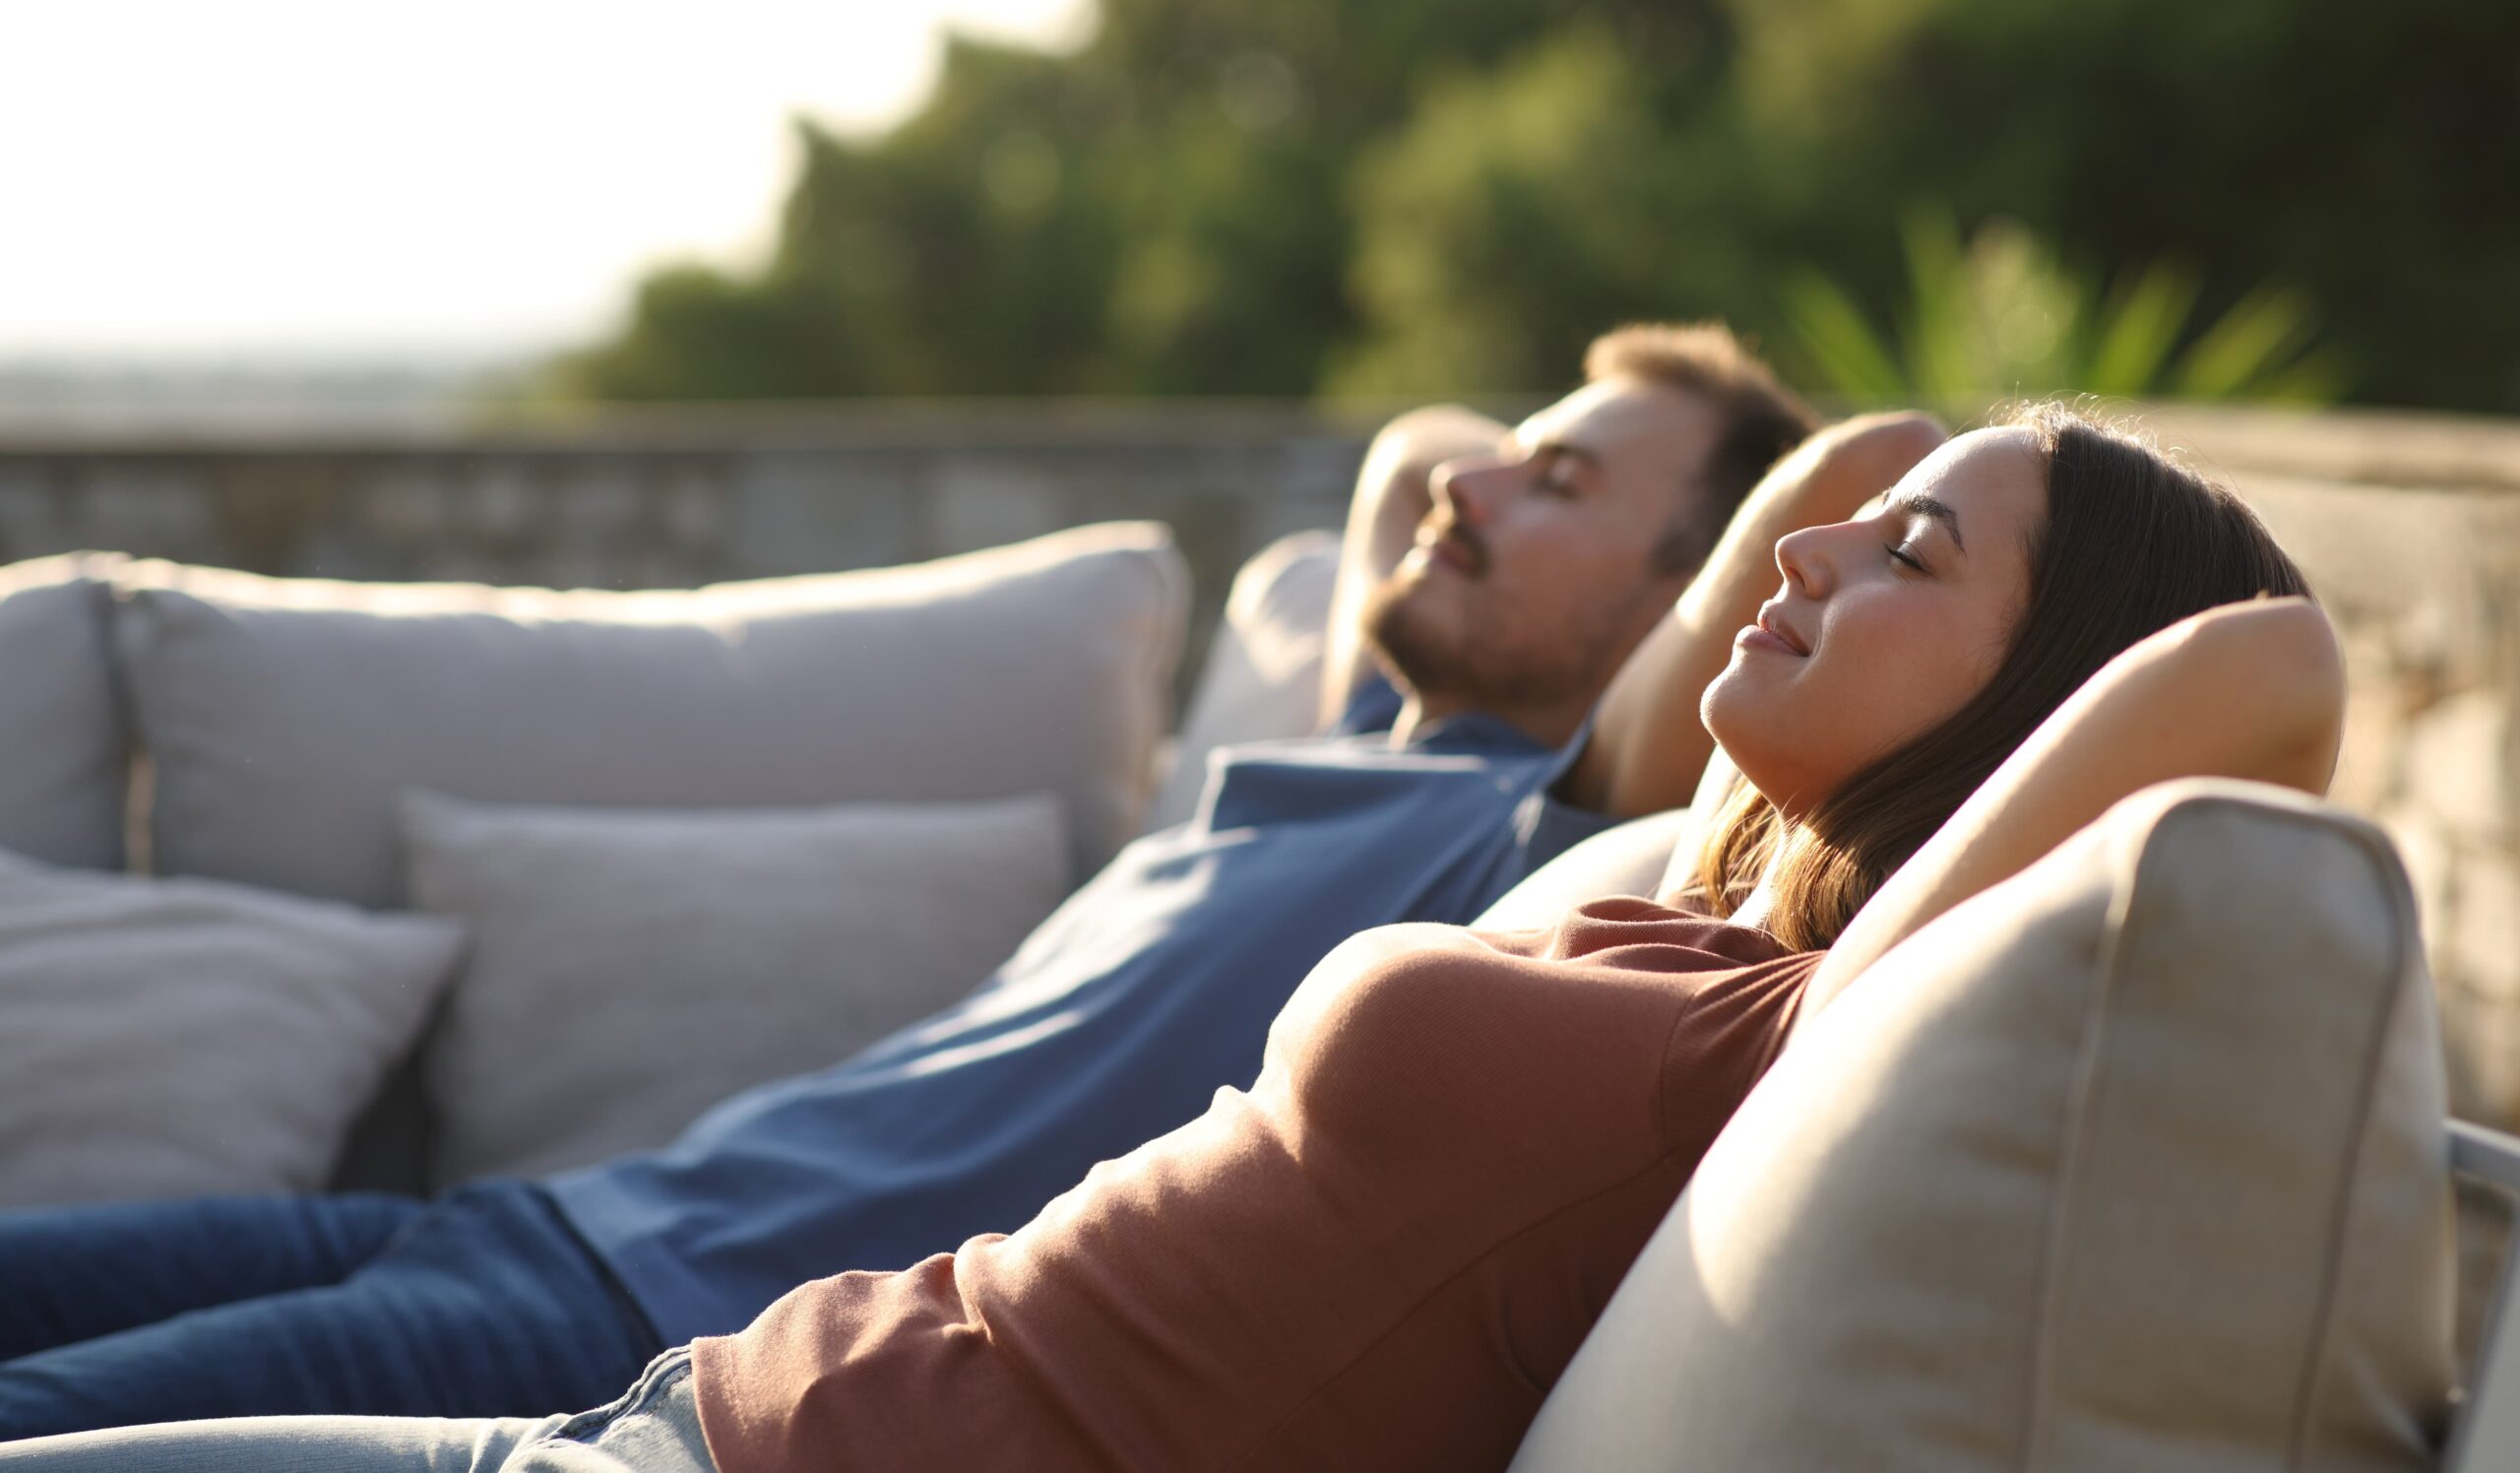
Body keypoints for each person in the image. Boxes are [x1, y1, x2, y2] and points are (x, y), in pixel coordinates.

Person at [0, 401, 2340, 1472]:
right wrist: (1927, 523)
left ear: (2033, 713)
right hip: (703, 1368)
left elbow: (2269, 675)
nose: (1809, 555)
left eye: (1902, 564)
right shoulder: (1650, 892)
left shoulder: (1812, 983)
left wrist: (1959, 467)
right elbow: (1459, 455)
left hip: (662, 1383)